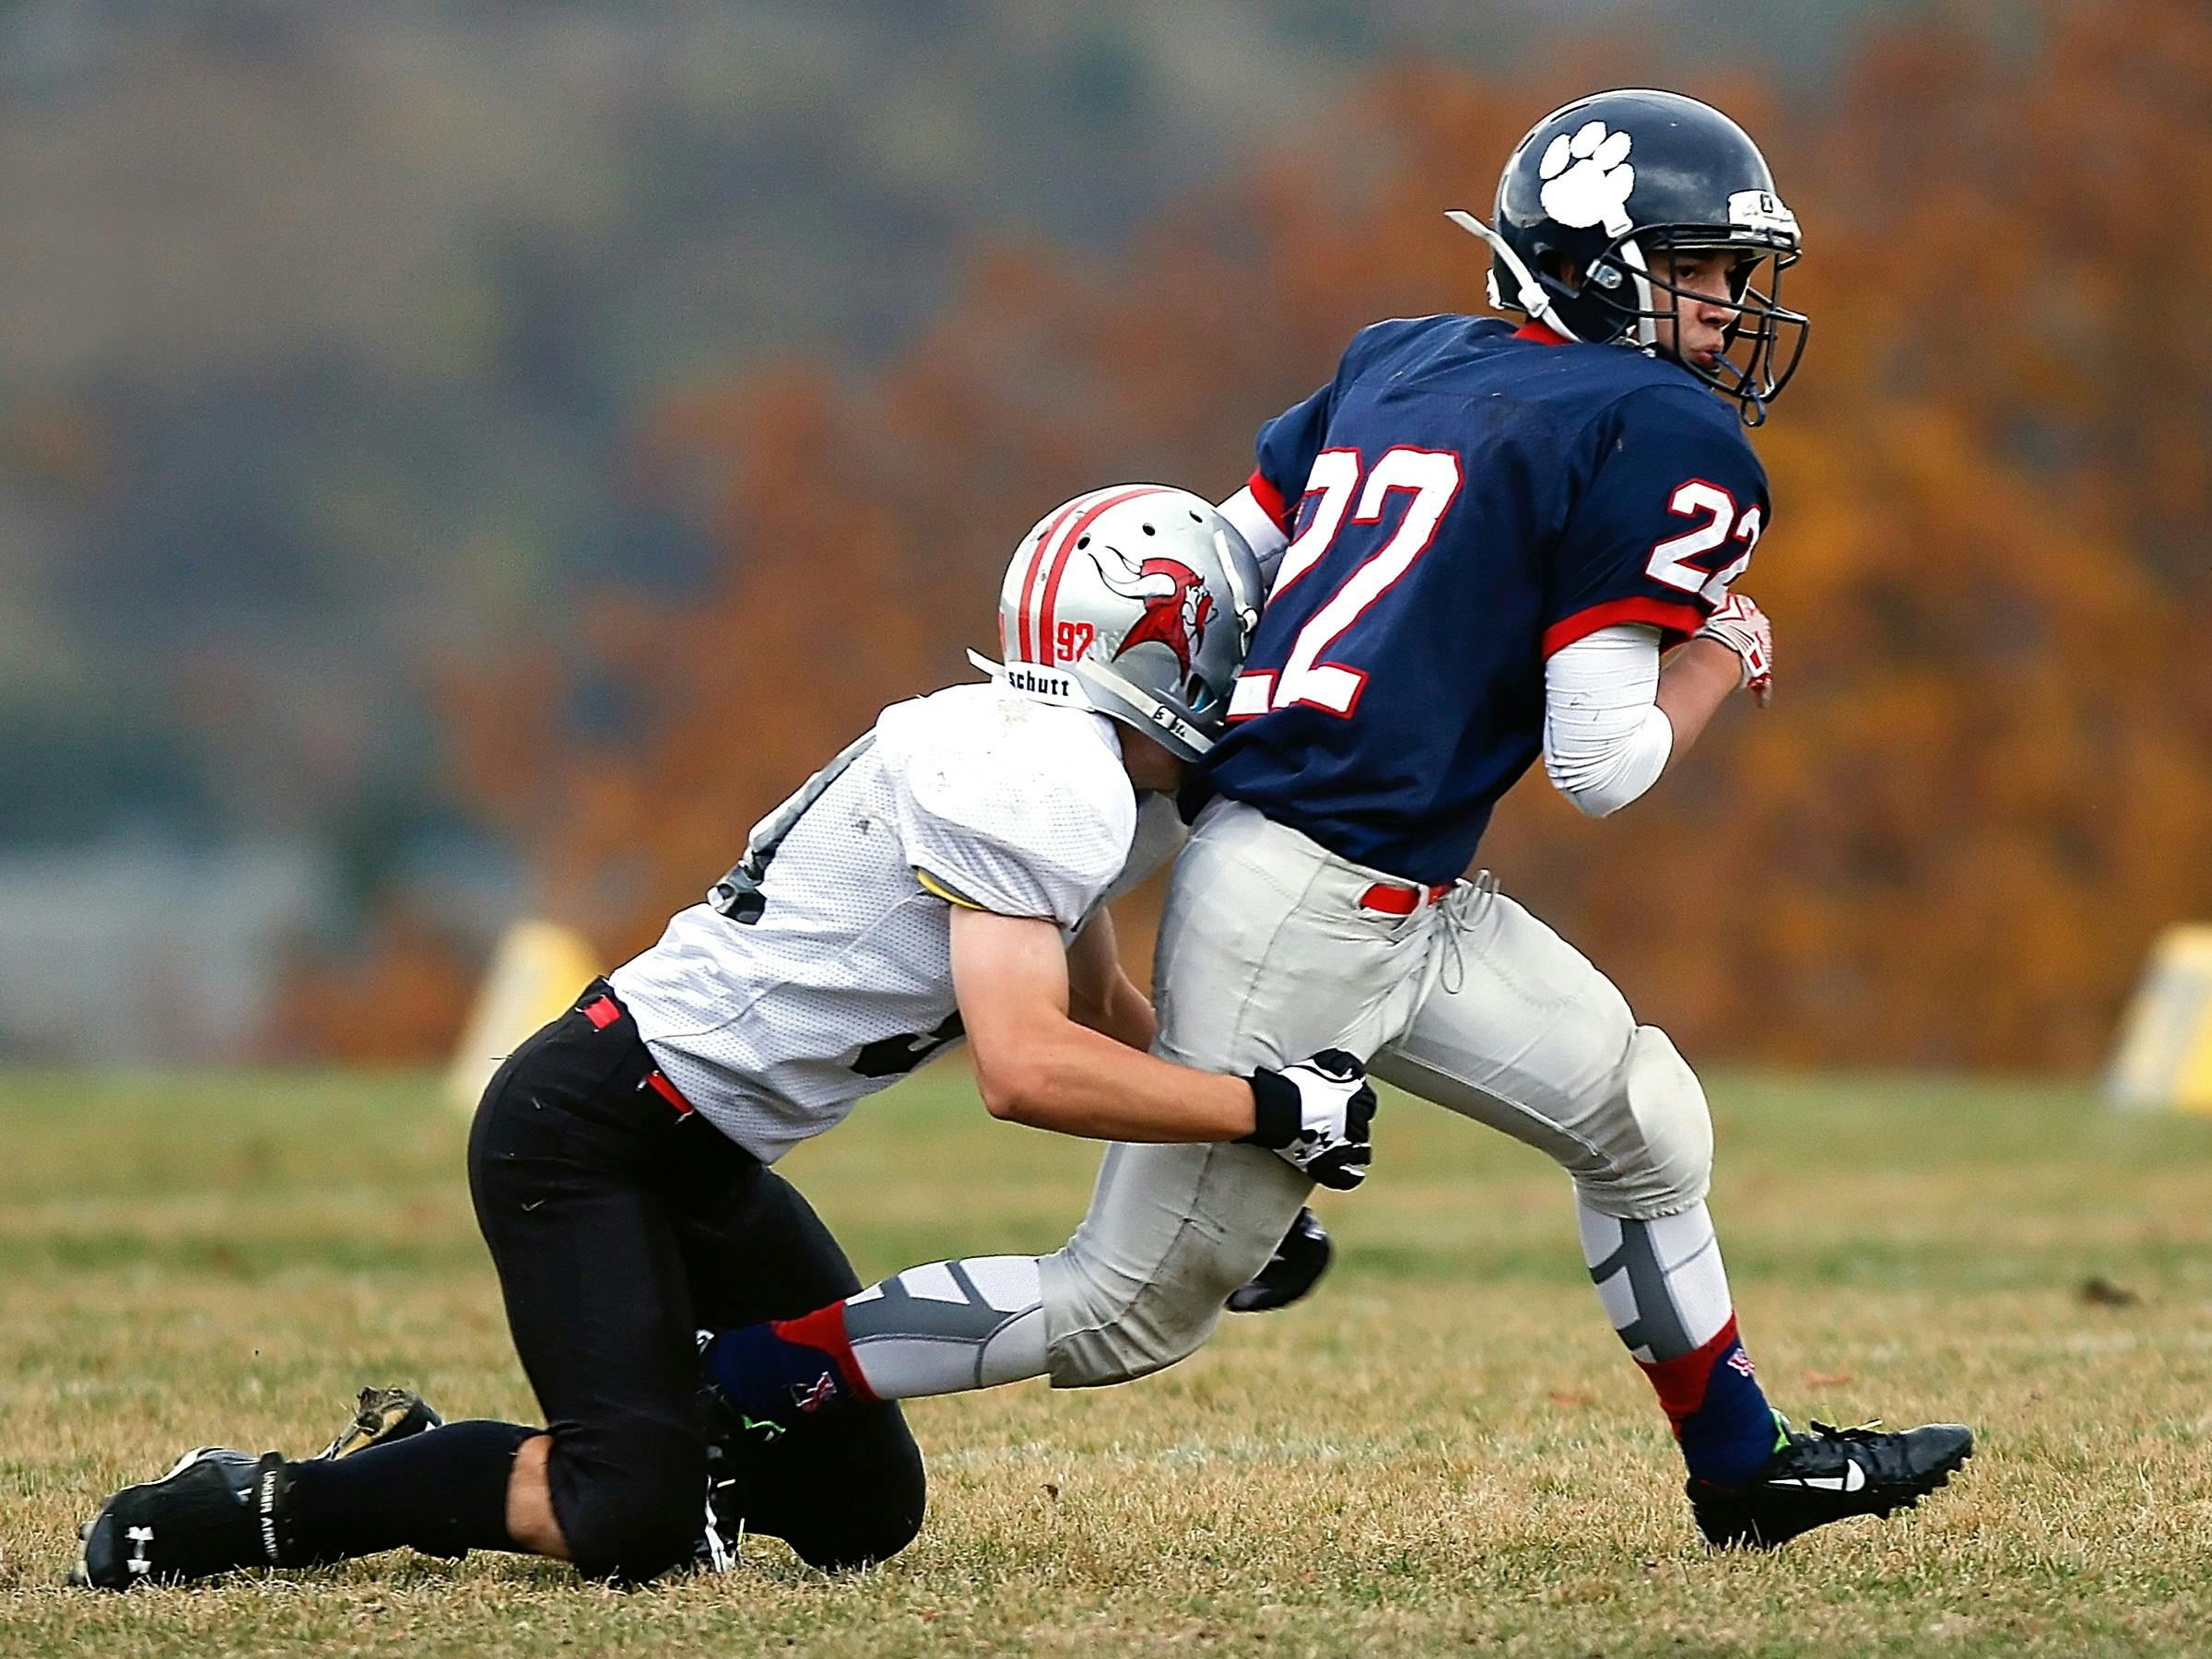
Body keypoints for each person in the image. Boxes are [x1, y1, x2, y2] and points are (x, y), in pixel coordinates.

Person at [694, 88, 1971, 1551]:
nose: (1727, 309)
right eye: (1700, 270)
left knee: (1643, 1121)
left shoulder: (1399, 360)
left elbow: (1220, 559)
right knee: (1123, 1309)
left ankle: (1746, 1472)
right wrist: (1717, 650)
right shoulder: (1654, 426)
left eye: (1734, 276)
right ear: (1598, 264)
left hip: (1369, 881)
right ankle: (733, 1389)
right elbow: (1602, 763)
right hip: (1312, 904)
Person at [68, 486, 1380, 1590]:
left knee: (865, 1516)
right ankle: (259, 1508)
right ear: (1160, 652)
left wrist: (1231, 1160)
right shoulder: (1041, 780)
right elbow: (1026, 1067)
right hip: (591, 1128)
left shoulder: (1059, 769)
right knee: (625, 1516)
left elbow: (1093, 1008)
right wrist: (1268, 1113)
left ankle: (628, 1438)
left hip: (704, 1155)